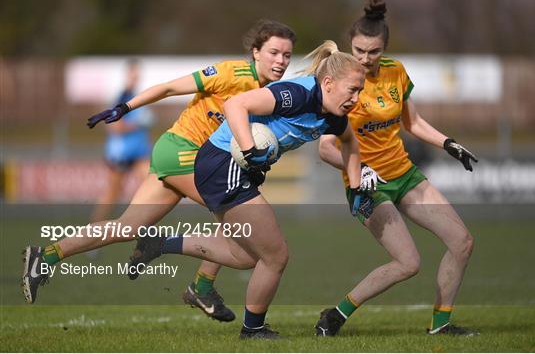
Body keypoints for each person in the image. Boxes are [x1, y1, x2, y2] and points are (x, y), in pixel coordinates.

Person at [21, 20, 297, 324]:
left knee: (126, 228)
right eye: (274, 52)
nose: (280, 61)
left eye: (286, 55)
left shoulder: (269, 93)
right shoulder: (232, 72)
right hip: (181, 151)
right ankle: (200, 286)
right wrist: (125, 108)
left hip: (191, 160)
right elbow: (168, 88)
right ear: (255, 52)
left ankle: (45, 256)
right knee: (236, 209)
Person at [129, 40, 375, 339]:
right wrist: (249, 150)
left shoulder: (334, 116)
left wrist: (357, 185)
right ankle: (253, 329)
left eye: (360, 91)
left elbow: (350, 144)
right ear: (328, 82)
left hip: (234, 168)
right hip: (222, 163)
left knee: (245, 255)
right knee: (276, 256)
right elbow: (235, 104)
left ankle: (160, 244)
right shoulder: (295, 94)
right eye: (353, 89)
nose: (356, 97)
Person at [315, 0, 479, 337]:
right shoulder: (339, 82)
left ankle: (440, 324)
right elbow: (325, 148)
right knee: (409, 263)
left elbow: (413, 122)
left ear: (384, 48)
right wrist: (362, 172)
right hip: (369, 185)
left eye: (373, 51)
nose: (365, 58)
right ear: (350, 45)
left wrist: (448, 143)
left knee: (462, 241)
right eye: (359, 50)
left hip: (405, 175)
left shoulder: (396, 71)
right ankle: (336, 314)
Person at [91, 59, 154, 224]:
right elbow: (115, 127)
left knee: (150, 187)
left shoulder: (136, 96)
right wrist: (139, 123)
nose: (136, 77)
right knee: (112, 195)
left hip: (139, 153)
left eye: (137, 74)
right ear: (127, 75)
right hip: (121, 153)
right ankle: (92, 231)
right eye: (133, 74)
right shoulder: (123, 96)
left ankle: (146, 230)